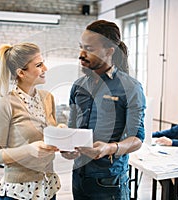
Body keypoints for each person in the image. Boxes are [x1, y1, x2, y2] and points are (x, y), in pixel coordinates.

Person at [62, 20, 146, 199]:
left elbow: (137, 139)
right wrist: (67, 147)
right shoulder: (78, 86)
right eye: (81, 47)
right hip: (78, 176)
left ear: (109, 51)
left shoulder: (131, 87)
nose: (81, 54)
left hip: (109, 180)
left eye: (90, 49)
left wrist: (109, 148)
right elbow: (72, 130)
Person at [0, 43, 61, 200]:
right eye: (39, 65)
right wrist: (28, 150)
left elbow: (49, 139)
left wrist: (62, 136)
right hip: (18, 192)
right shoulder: (5, 105)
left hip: (48, 188)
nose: (45, 68)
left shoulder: (48, 98)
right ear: (21, 73)